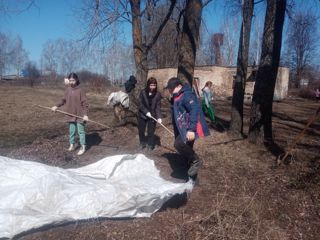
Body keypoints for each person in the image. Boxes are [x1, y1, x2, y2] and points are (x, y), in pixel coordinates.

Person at [164, 77, 210, 178]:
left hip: (189, 127)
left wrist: (191, 130)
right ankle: (189, 171)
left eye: (171, 89)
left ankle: (195, 161)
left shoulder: (187, 95)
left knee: (179, 144)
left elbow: (194, 110)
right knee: (187, 147)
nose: (170, 91)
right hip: (181, 126)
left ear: (178, 86)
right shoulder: (177, 95)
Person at [51, 73, 89, 155]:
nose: (72, 82)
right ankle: (72, 145)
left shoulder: (80, 90)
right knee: (71, 131)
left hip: (80, 115)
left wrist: (85, 114)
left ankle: (83, 147)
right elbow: (63, 100)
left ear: (77, 80)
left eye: (73, 80)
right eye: (70, 80)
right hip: (70, 114)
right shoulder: (68, 90)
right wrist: (56, 106)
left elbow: (85, 103)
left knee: (81, 132)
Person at [138, 77, 162, 151]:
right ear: (148, 85)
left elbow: (158, 106)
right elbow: (140, 104)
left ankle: (150, 144)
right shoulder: (143, 92)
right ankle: (142, 142)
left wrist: (159, 117)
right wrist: (146, 112)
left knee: (150, 131)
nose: (152, 87)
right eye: (151, 85)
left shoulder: (158, 94)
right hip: (142, 114)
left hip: (152, 115)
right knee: (141, 130)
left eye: (154, 85)